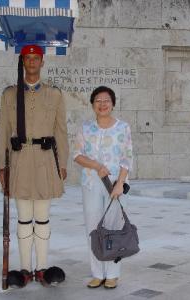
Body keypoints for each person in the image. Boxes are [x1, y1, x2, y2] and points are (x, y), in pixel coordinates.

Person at [0, 44, 68, 287]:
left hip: (46, 160)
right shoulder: (9, 94)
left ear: (42, 63)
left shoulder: (54, 94)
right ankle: (26, 269)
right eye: (27, 58)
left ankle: (42, 268)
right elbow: (3, 132)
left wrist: (63, 164)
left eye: (35, 58)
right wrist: (2, 166)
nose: (31, 62)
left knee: (43, 217)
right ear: (22, 62)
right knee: (24, 218)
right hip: (20, 160)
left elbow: (61, 131)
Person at [73, 86, 133, 289]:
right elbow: (77, 155)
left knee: (114, 228)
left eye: (106, 100)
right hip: (91, 183)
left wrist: (120, 183)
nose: (102, 104)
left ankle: (113, 274)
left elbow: (127, 158)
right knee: (93, 228)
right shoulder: (85, 127)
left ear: (113, 103)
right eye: (98, 101)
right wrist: (96, 166)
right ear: (92, 104)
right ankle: (97, 273)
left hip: (114, 186)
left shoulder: (123, 127)